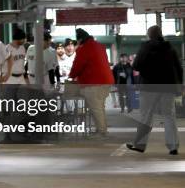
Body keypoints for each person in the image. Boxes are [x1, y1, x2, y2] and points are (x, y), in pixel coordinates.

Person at [127, 26, 182, 155]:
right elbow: (179, 69)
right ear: (161, 34)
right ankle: (173, 147)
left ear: (149, 35)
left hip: (148, 87)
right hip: (167, 87)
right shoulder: (170, 49)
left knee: (146, 116)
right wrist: (179, 86)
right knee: (169, 116)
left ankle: (140, 146)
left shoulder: (145, 48)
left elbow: (136, 65)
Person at [68, 28, 114, 138]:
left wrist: (71, 76)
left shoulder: (84, 49)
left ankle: (102, 131)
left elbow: (77, 65)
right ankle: (101, 129)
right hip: (106, 81)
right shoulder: (99, 46)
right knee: (99, 106)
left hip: (93, 83)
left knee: (96, 108)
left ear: (80, 40)